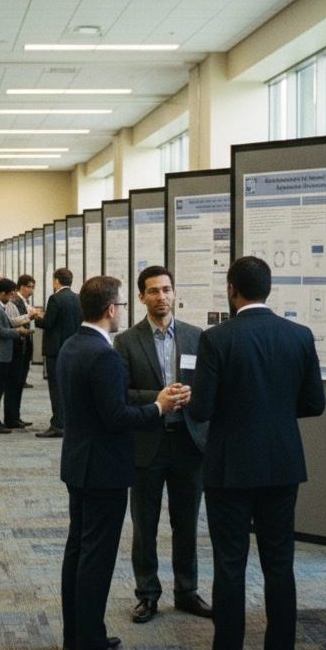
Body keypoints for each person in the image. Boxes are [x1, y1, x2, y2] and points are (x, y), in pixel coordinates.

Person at [186, 256, 325, 650]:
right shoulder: (299, 335)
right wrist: (276, 410)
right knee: (280, 564)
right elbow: (315, 404)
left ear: (232, 290)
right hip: (282, 464)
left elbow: (202, 410)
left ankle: (228, 646)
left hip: (230, 468)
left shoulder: (217, 338)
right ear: (269, 288)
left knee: (230, 566)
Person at [57, 275, 189, 650]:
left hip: (79, 464)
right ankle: (91, 641)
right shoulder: (105, 355)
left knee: (78, 552)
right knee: (95, 558)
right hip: (104, 470)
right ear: (111, 309)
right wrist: (159, 408)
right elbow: (115, 417)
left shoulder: (72, 345)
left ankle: (78, 636)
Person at [112, 265, 211, 624]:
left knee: (187, 524)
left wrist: (192, 393)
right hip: (146, 444)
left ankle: (187, 591)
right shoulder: (125, 341)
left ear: (174, 292)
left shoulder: (196, 337)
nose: (161, 297)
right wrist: (157, 397)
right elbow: (120, 394)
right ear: (141, 297)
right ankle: (147, 594)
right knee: (145, 526)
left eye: (166, 289)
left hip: (188, 443)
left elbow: (209, 387)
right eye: (153, 291)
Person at [0, 278, 35, 434]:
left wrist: (27, 318)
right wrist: (18, 332)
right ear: (2, 293)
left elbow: (8, 322)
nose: (11, 297)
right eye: (10, 294)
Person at [34, 268, 82, 438]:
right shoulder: (77, 298)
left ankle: (57, 424)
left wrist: (36, 317)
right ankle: (68, 421)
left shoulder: (55, 298)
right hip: (73, 348)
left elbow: (48, 323)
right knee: (69, 387)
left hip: (56, 351)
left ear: (56, 281)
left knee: (55, 388)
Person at [5, 274, 38, 429]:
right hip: (16, 348)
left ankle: (15, 416)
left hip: (24, 347)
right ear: (22, 286)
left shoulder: (24, 301)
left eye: (33, 287)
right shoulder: (13, 302)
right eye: (30, 287)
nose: (31, 290)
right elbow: (12, 323)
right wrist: (29, 317)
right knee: (13, 384)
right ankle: (11, 418)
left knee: (19, 384)